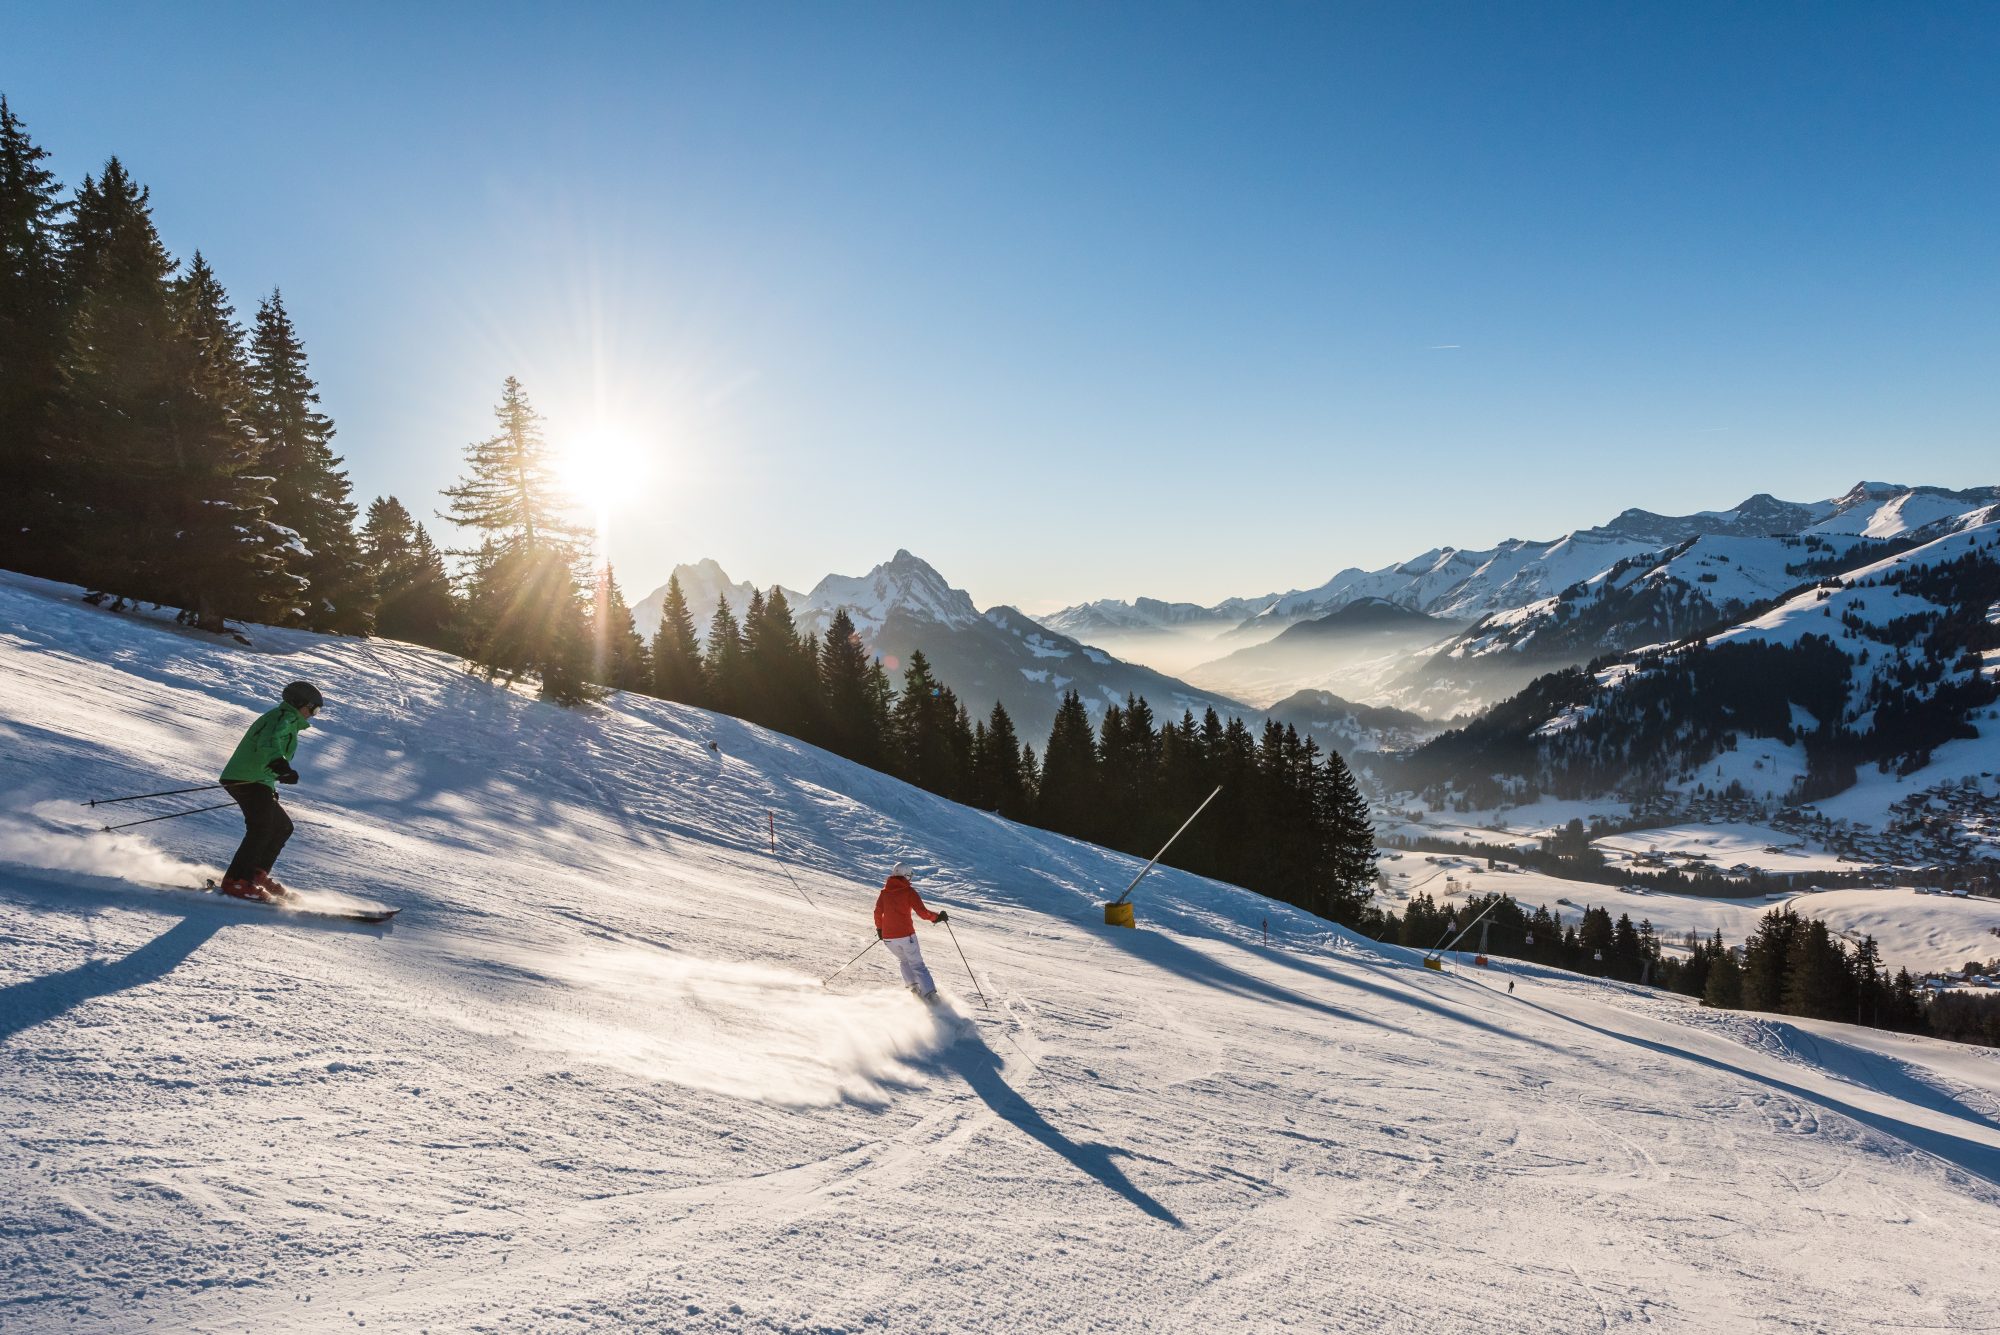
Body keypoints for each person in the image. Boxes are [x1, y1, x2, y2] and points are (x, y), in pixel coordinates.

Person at [216, 681, 322, 902]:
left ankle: (255, 874)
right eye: (314, 708)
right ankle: (236, 881)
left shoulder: (287, 720)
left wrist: (271, 784)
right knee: (261, 828)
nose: (314, 714)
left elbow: (267, 751)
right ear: (301, 703)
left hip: (257, 780)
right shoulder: (283, 718)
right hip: (246, 778)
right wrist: (280, 765)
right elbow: (269, 742)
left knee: (282, 827)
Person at [873, 861, 946, 1001]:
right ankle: (930, 996)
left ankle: (914, 989)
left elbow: (877, 912)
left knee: (904, 960)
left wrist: (880, 929)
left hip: (889, 938)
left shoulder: (884, 893)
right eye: (909, 876)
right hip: (906, 935)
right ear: (905, 875)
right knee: (917, 964)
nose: (910, 878)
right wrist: (937, 918)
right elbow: (922, 912)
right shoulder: (908, 891)